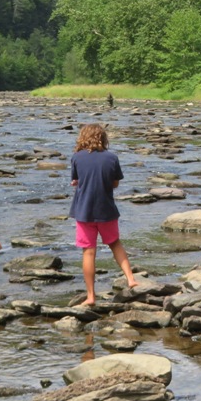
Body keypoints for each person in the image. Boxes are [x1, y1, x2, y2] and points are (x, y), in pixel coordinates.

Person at [69, 123, 137, 305]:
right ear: (103, 138)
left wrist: (79, 184)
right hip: (106, 209)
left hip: (84, 211)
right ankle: (130, 279)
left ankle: (91, 296)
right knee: (115, 244)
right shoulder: (112, 158)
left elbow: (76, 180)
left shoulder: (76, 157)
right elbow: (114, 184)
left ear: (83, 138)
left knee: (89, 252)